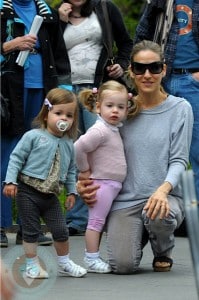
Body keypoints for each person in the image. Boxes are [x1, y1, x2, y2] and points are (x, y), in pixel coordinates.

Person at [76, 40, 194, 274]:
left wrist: (163, 190)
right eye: (140, 68)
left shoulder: (181, 108)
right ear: (131, 70)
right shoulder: (120, 109)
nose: (147, 74)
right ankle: (136, 233)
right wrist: (84, 181)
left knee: (159, 214)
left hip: (164, 196)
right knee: (122, 265)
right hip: (125, 199)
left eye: (154, 67)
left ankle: (162, 248)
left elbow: (180, 160)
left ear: (164, 69)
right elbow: (91, 147)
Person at [58, 0, 134, 235]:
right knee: (70, 152)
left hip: (96, 91)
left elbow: (125, 43)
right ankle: (75, 218)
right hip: (66, 90)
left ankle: (97, 214)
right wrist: (59, 23)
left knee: (97, 152)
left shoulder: (105, 8)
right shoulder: (55, 15)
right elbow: (48, 49)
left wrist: (121, 65)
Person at [0, 0, 69, 247]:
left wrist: (64, 93)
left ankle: (28, 228)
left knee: (37, 158)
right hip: (8, 92)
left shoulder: (46, 11)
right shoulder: (2, 8)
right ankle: (1, 223)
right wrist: (10, 45)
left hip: (44, 90)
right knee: (6, 155)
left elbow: (60, 55)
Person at [2, 88, 87, 279]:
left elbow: (72, 170)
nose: (63, 119)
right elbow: (16, 158)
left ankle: (64, 262)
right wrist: (10, 181)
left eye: (69, 115)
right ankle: (31, 265)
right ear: (46, 113)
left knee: (61, 230)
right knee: (31, 231)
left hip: (50, 196)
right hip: (28, 191)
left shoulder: (69, 143)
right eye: (58, 113)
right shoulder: (33, 136)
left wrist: (72, 192)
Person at [133, 0, 199, 214]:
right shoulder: (161, 1)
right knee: (158, 150)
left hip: (192, 79)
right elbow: (142, 35)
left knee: (197, 151)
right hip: (159, 77)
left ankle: (194, 216)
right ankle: (164, 208)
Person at [75, 80, 139, 273]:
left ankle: (94, 256)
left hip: (111, 185)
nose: (115, 111)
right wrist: (84, 170)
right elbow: (78, 147)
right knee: (95, 222)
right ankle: (91, 258)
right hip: (101, 184)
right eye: (109, 106)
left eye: (120, 107)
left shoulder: (112, 128)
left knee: (100, 222)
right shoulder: (100, 130)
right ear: (98, 106)